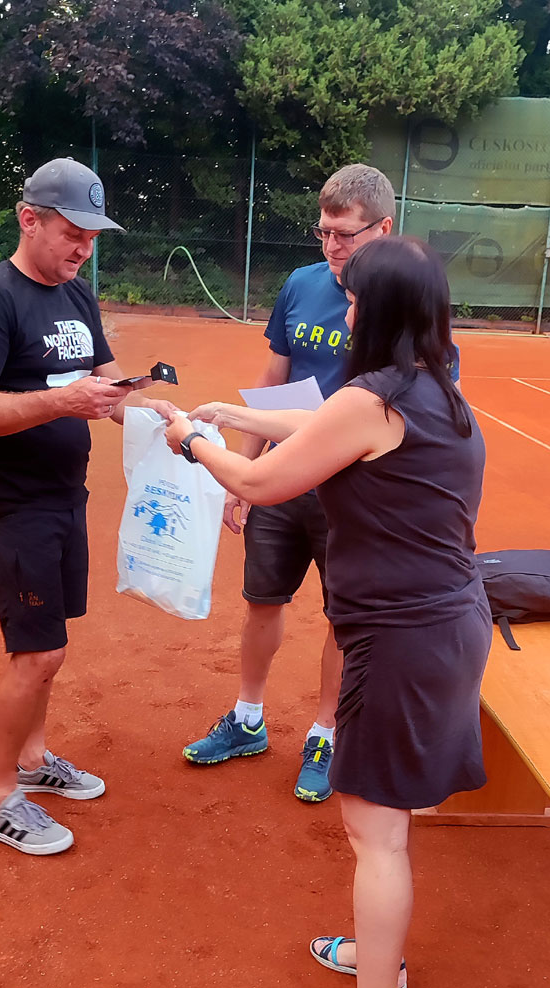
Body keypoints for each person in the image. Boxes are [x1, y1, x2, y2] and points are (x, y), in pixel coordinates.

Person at [160, 236, 492, 988]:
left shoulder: (373, 400)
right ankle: (381, 958)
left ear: (378, 310)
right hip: (445, 624)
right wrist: (236, 416)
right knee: (387, 824)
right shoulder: (434, 388)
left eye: (353, 298)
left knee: (376, 832)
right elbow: (322, 426)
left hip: (402, 638)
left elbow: (262, 483)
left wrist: (192, 441)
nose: (343, 310)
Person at [181, 164, 396, 804]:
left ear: (383, 229)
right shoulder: (301, 284)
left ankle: (326, 734)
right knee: (262, 600)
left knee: (342, 616)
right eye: (323, 232)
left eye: (345, 234)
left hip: (353, 493)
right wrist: (243, 479)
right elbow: (274, 379)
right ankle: (247, 719)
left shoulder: (403, 303)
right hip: (282, 477)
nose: (332, 246)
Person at [0, 158, 137, 856]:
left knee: (51, 647)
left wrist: (168, 414)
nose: (83, 248)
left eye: (92, 236)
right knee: (39, 650)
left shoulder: (77, 293)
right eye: (72, 233)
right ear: (29, 219)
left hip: (65, 495)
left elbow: (106, 382)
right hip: (15, 503)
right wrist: (61, 401)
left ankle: (32, 760)